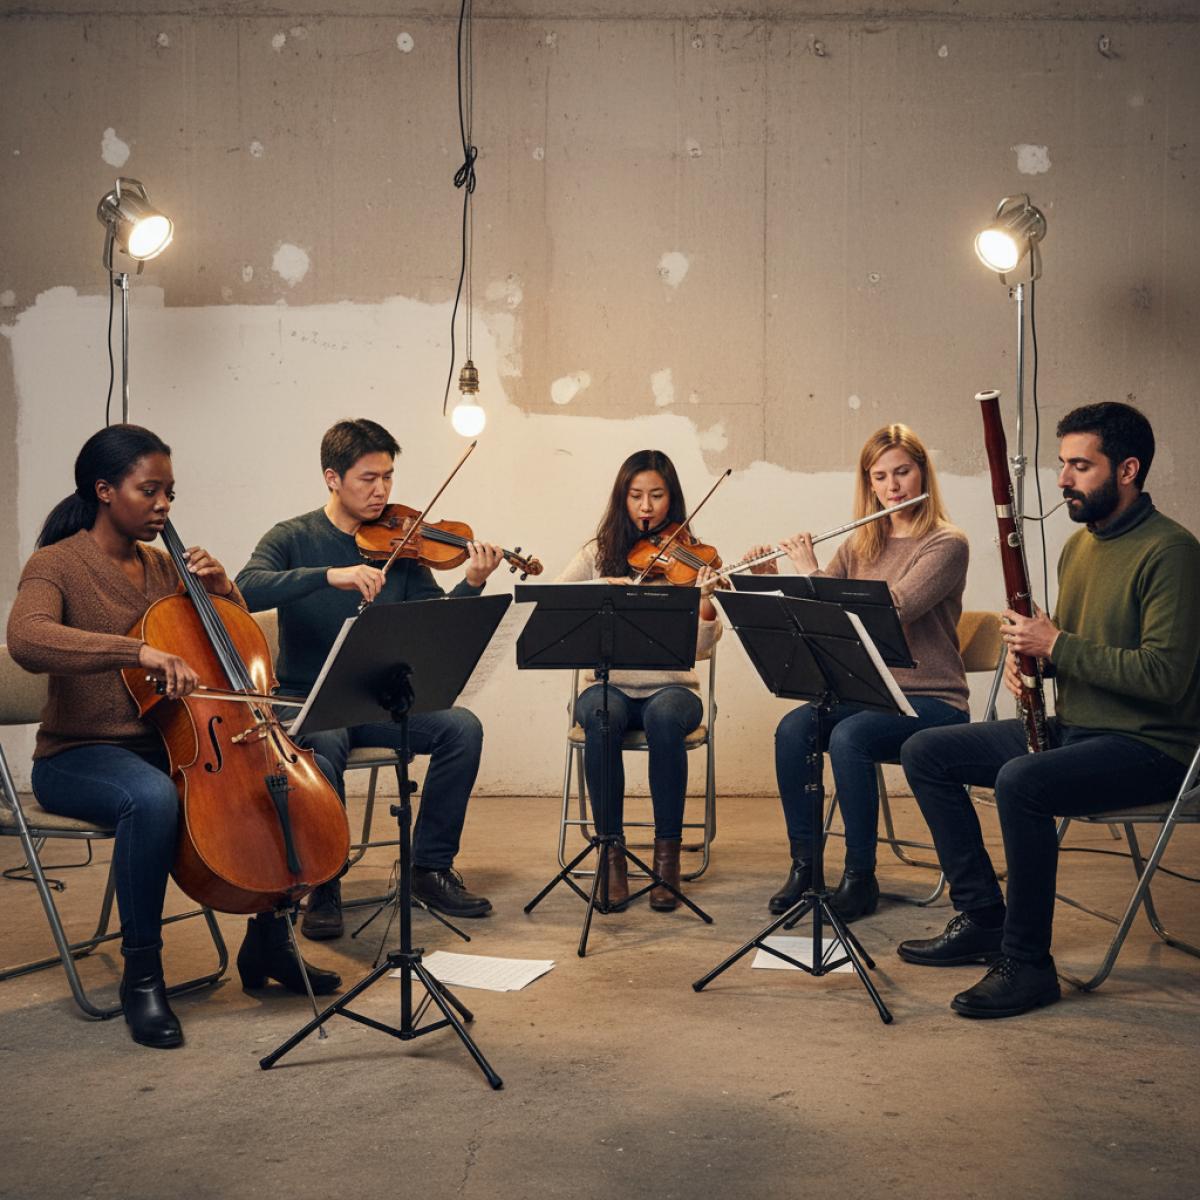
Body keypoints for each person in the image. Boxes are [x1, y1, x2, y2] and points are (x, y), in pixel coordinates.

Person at [7, 425, 342, 1050]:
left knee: (291, 778)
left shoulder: (166, 567)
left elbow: (230, 650)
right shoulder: (56, 564)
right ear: (104, 490)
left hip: (173, 746)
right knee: (152, 799)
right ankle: (143, 975)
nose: (163, 506)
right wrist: (135, 650)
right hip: (80, 755)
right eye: (149, 491)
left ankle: (269, 945)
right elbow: (27, 638)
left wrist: (221, 592)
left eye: (170, 493)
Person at [898, 402, 1200, 1018]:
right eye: (1062, 463)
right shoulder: (1078, 547)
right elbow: (1082, 646)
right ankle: (984, 915)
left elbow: (1165, 678)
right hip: (1080, 730)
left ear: (1128, 470)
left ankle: (1030, 964)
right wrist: (1035, 662)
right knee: (925, 751)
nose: (1061, 479)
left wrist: (1056, 644)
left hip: (1154, 748)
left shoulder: (1172, 554)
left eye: (1079, 465)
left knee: (1022, 782)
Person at [235, 418, 504, 937]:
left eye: (388, 477)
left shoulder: (402, 546)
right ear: (332, 478)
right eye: (367, 478)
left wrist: (471, 584)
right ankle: (325, 880)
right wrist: (328, 576)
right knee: (325, 740)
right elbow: (244, 588)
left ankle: (427, 869)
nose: (381, 490)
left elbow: (436, 624)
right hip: (308, 699)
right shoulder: (292, 536)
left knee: (461, 728)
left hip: (377, 702)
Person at [743, 424, 971, 921]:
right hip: (870, 692)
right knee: (794, 728)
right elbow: (821, 617)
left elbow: (894, 608)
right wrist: (776, 581)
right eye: (880, 477)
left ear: (922, 472)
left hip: (931, 699)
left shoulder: (946, 544)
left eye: (902, 472)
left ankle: (859, 877)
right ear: (869, 484)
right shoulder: (862, 544)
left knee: (850, 737)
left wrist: (810, 571)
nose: (893, 487)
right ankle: (806, 868)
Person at [557, 449, 722, 911]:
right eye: (635, 496)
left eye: (656, 495)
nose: (646, 507)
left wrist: (705, 600)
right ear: (622, 498)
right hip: (607, 685)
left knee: (667, 719)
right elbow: (555, 601)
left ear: (672, 499)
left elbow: (701, 649)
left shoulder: (691, 560)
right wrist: (598, 590)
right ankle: (611, 853)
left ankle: (666, 858)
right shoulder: (597, 553)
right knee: (601, 715)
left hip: (672, 688)